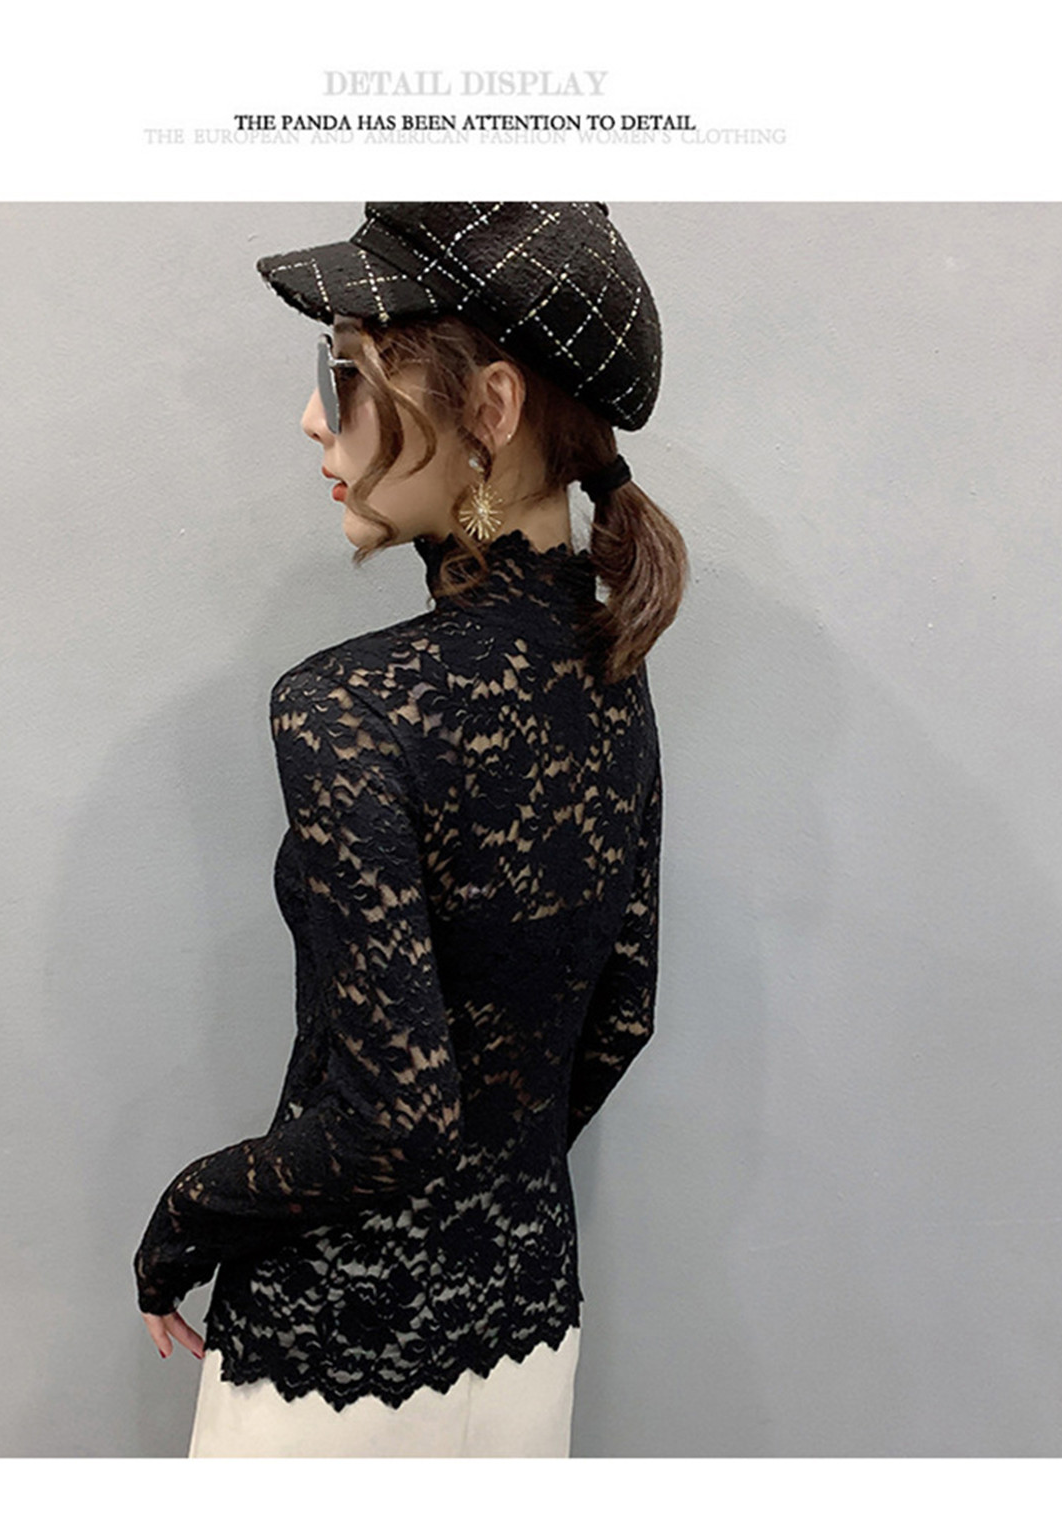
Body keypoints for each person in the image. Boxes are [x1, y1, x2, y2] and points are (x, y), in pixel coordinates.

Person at [134, 202, 687, 1457]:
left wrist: (183, 1215)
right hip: (528, 1328)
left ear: (489, 409)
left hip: (328, 1364)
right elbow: (622, 1013)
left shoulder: (344, 704)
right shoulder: (611, 663)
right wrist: (486, 1202)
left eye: (345, 374)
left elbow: (392, 1119)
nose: (312, 418)